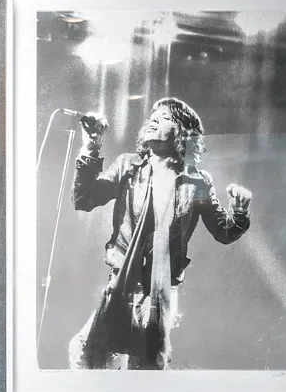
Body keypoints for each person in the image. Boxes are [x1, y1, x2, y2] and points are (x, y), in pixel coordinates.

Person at [69, 97, 252, 369]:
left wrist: (239, 212)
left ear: (182, 131)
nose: (154, 119)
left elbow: (224, 233)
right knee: (86, 354)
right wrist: (92, 146)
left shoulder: (197, 182)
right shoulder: (128, 166)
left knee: (146, 369)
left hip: (163, 290)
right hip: (121, 283)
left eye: (165, 116)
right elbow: (84, 198)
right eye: (154, 115)